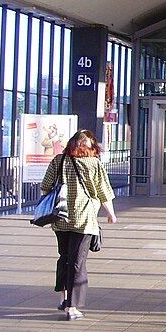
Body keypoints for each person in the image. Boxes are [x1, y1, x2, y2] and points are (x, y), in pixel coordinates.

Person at [40, 130, 118, 321]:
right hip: (84, 220)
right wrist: (111, 214)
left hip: (60, 219)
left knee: (64, 258)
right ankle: (72, 306)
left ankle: (63, 298)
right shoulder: (94, 164)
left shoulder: (58, 160)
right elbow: (103, 192)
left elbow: (45, 186)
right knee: (77, 262)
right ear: (91, 147)